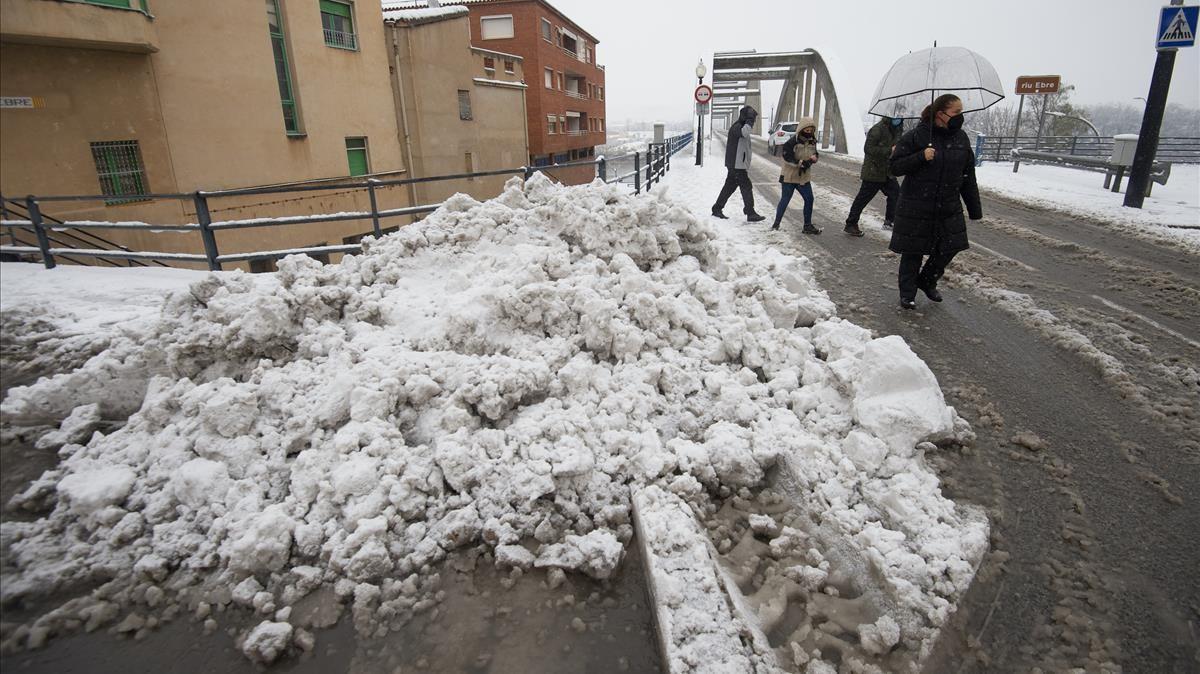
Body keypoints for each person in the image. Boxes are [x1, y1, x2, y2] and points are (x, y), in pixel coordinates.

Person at [888, 94, 982, 310]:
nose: (961, 116)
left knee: (951, 246)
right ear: (941, 114)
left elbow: (968, 175)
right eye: (956, 112)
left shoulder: (961, 138)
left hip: (948, 205)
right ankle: (907, 294)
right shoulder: (916, 136)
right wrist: (921, 156)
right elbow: (894, 167)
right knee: (913, 251)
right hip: (917, 204)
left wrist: (974, 208)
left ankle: (927, 279)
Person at [845, 115, 903, 235]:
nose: (899, 119)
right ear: (890, 116)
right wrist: (889, 150)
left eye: (901, 117)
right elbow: (868, 149)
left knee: (896, 194)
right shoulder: (877, 129)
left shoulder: (897, 130)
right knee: (863, 199)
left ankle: (889, 221)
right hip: (873, 172)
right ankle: (851, 223)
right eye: (897, 117)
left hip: (887, 172)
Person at [712, 105, 766, 222]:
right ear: (746, 117)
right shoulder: (738, 127)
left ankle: (717, 208)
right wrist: (749, 121)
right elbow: (744, 133)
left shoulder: (739, 126)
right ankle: (750, 212)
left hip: (737, 164)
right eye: (752, 118)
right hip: (736, 165)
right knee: (746, 186)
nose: (753, 122)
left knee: (729, 187)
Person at [771, 117, 821, 234]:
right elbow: (786, 156)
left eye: (810, 131)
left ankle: (807, 226)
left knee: (809, 199)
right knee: (785, 199)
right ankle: (776, 224)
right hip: (789, 176)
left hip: (803, 177)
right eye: (806, 130)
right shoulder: (792, 141)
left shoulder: (812, 141)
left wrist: (814, 158)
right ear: (801, 129)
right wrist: (800, 163)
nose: (808, 133)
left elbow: (815, 153)